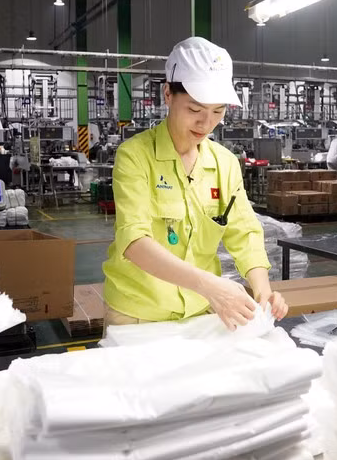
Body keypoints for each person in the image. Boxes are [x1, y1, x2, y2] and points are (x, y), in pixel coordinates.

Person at [103, 37, 289, 332]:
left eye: (218, 111)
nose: (206, 123)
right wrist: (211, 286)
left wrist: (263, 291)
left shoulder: (225, 163)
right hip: (138, 313)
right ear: (167, 94)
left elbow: (245, 233)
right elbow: (134, 242)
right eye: (194, 109)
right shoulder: (135, 156)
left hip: (201, 313)